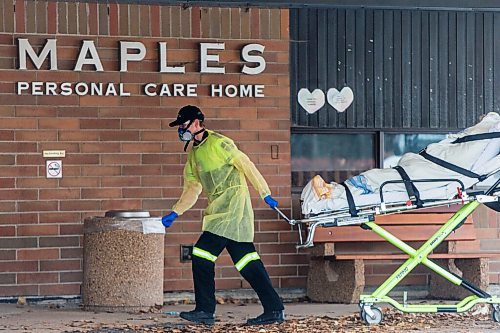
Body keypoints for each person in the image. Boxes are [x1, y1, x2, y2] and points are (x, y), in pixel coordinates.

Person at [162, 105, 285, 326]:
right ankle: (274, 310)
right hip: (219, 212)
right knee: (247, 261)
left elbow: (247, 166)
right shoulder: (194, 154)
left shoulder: (221, 143)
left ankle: (205, 310)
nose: (181, 128)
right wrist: (175, 211)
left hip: (233, 209)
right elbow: (192, 188)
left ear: (197, 123)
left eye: (183, 123)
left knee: (201, 254)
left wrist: (265, 193)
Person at [302, 112, 500, 215]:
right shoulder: (480, 143)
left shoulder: (481, 143)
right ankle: (338, 193)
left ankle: (335, 195)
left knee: (378, 180)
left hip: (426, 175)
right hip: (424, 171)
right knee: (377, 178)